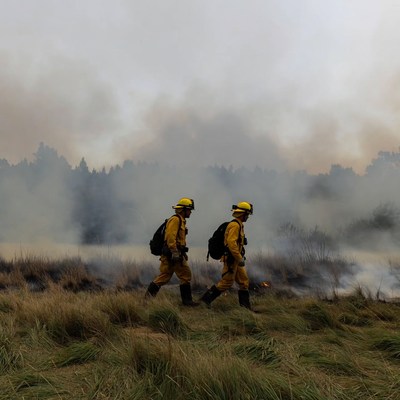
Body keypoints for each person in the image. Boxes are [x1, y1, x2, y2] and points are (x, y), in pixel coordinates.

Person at [145, 198, 199, 307]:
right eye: (189, 210)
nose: (190, 212)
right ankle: (187, 302)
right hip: (173, 254)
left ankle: (147, 300)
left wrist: (182, 253)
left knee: (165, 276)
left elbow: (179, 240)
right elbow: (170, 238)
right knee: (185, 275)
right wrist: (175, 252)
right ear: (183, 210)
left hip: (175, 254)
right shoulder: (175, 220)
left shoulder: (181, 220)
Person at [200, 201, 253, 309]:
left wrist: (240, 257)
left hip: (236, 260)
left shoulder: (239, 225)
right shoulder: (235, 225)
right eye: (247, 214)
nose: (248, 216)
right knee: (226, 282)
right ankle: (204, 301)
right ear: (242, 214)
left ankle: (245, 308)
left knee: (244, 282)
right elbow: (231, 244)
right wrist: (239, 258)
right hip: (231, 260)